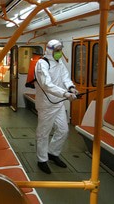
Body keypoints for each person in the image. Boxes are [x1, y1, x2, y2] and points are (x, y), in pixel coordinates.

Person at [34, 39, 78, 174]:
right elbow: (47, 85)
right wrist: (65, 93)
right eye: (57, 50)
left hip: (58, 103)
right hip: (46, 105)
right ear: (49, 50)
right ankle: (42, 160)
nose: (59, 53)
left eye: (60, 50)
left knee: (63, 130)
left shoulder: (59, 62)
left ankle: (53, 152)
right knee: (43, 133)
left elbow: (65, 77)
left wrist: (71, 88)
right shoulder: (42, 64)